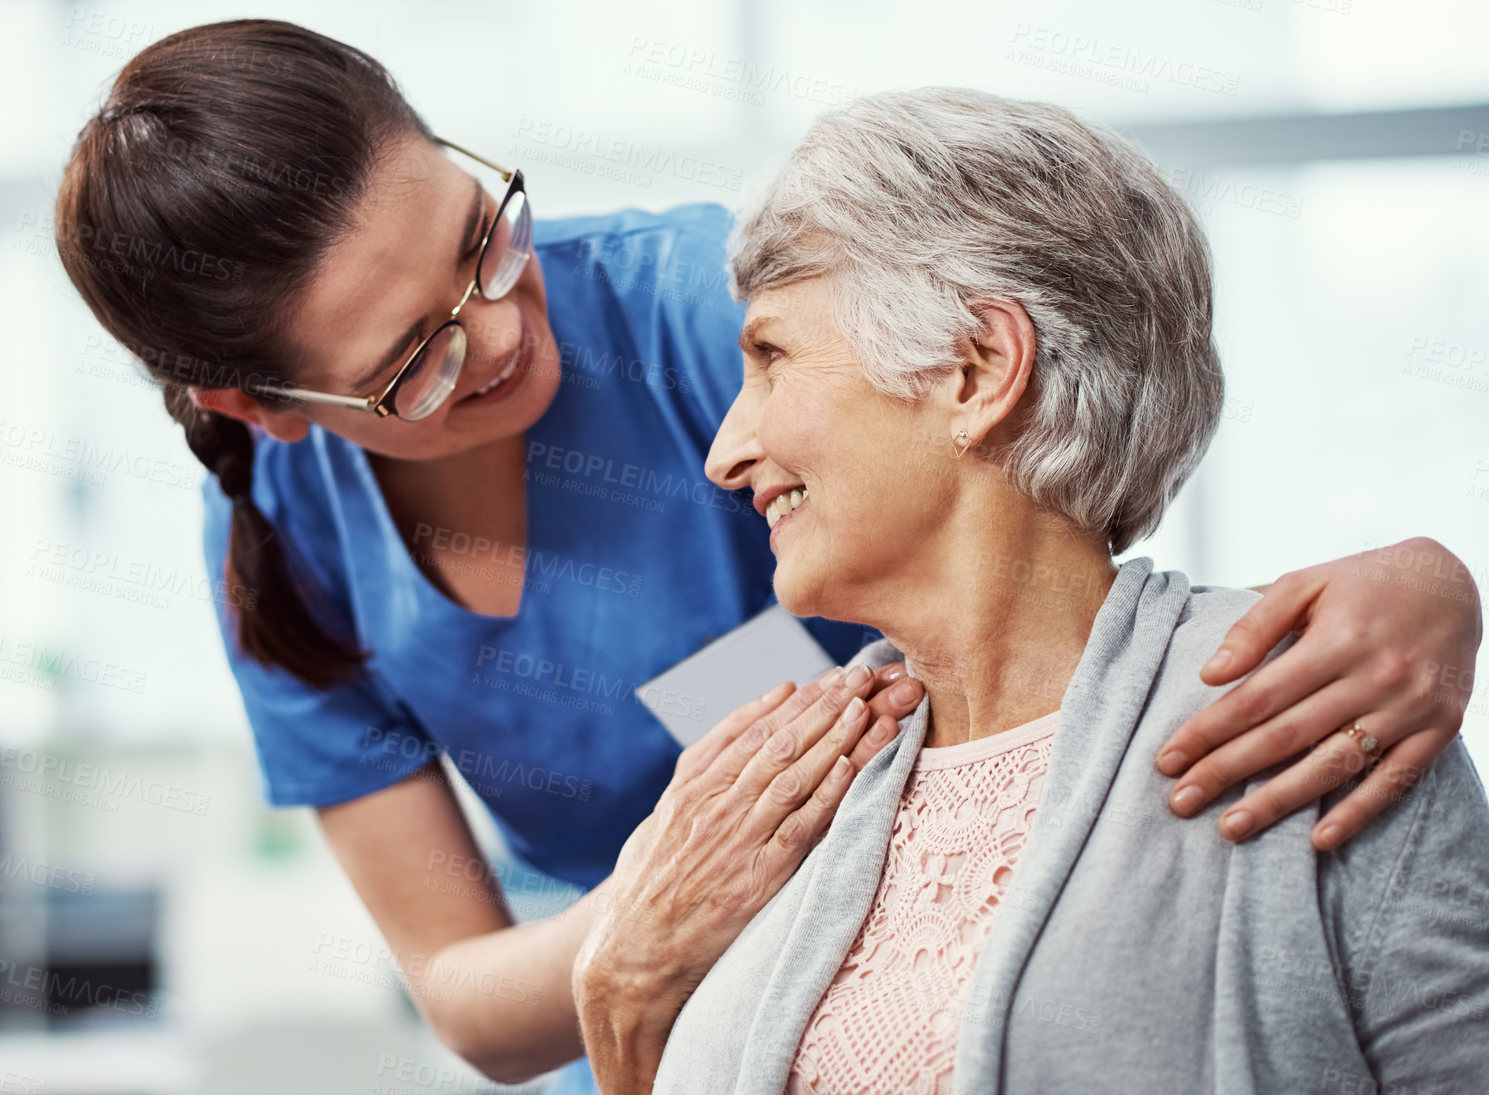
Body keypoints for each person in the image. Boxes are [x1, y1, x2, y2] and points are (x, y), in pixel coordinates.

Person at [52, 22, 1484, 1091]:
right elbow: (470, 993)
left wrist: (1423, 577)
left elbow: (1045, 463)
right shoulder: (281, 546)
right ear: (264, 409)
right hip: (652, 993)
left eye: (485, 234)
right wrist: (657, 913)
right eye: (416, 358)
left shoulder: (694, 302)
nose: (501, 328)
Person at [572, 88, 1489, 1095]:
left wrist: (1437, 576)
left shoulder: (1310, 708)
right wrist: (619, 1005)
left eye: (770, 355)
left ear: (976, 369)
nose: (724, 453)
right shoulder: (766, 775)